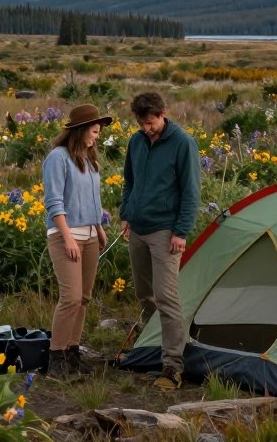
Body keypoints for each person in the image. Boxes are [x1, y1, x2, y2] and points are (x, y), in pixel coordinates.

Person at [120, 92, 201, 390]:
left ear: (163, 113)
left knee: (166, 297)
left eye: (150, 123)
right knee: (145, 294)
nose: (146, 129)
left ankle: (172, 366)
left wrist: (181, 232)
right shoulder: (136, 141)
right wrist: (126, 213)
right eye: (141, 124)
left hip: (165, 232)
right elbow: (130, 181)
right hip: (137, 228)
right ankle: (152, 349)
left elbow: (191, 193)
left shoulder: (183, 143)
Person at [42, 103, 112, 376]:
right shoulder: (58, 158)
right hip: (65, 236)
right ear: (81, 129)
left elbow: (92, 200)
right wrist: (69, 238)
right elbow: (54, 202)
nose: (97, 135)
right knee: (70, 297)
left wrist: (99, 227)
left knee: (83, 297)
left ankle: (73, 352)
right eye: (94, 131)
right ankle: (56, 356)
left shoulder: (90, 159)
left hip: (91, 235)